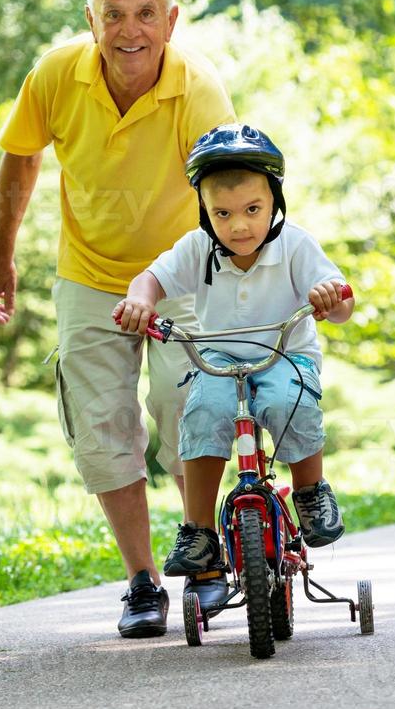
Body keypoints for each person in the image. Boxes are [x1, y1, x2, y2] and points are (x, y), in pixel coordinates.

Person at [0, 0, 234, 638]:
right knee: (100, 430)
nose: (130, 30)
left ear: (171, 18)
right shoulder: (58, 75)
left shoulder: (198, 90)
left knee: (187, 407)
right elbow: (20, 163)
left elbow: (231, 198)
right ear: (90, 18)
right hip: (89, 274)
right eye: (114, 14)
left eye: (146, 13)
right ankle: (142, 583)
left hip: (181, 272)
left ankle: (206, 560)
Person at [112, 124, 354, 591]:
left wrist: (330, 298)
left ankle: (309, 492)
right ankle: (198, 530)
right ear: (204, 211)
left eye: (252, 210)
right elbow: (150, 279)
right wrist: (140, 300)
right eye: (222, 213)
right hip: (218, 357)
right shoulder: (198, 248)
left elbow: (343, 304)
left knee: (290, 402)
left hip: (285, 353)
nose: (238, 225)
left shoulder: (295, 245)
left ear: (275, 204)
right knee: (203, 409)